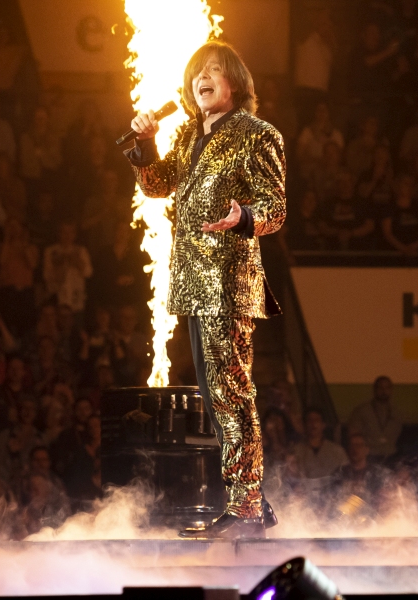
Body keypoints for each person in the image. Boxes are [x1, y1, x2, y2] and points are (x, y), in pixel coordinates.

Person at [125, 42, 285, 539]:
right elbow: (156, 184)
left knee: (230, 394)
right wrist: (146, 143)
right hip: (194, 284)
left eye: (214, 71)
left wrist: (244, 219)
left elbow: (275, 207)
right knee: (220, 398)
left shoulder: (258, 135)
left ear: (235, 81)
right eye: (197, 73)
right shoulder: (192, 134)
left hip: (228, 282)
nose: (203, 78)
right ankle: (252, 501)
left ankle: (245, 509)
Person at [348, 376, 403, 462]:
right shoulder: (361, 411)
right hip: (369, 457)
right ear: (374, 389)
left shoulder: (396, 412)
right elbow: (354, 435)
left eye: (387, 388)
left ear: (391, 390)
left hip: (390, 457)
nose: (384, 391)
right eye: (380, 387)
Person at [293, 407, 349, 479]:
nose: (313, 423)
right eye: (309, 420)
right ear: (305, 425)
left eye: (317, 420)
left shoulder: (337, 451)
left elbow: (347, 475)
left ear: (323, 424)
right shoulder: (296, 451)